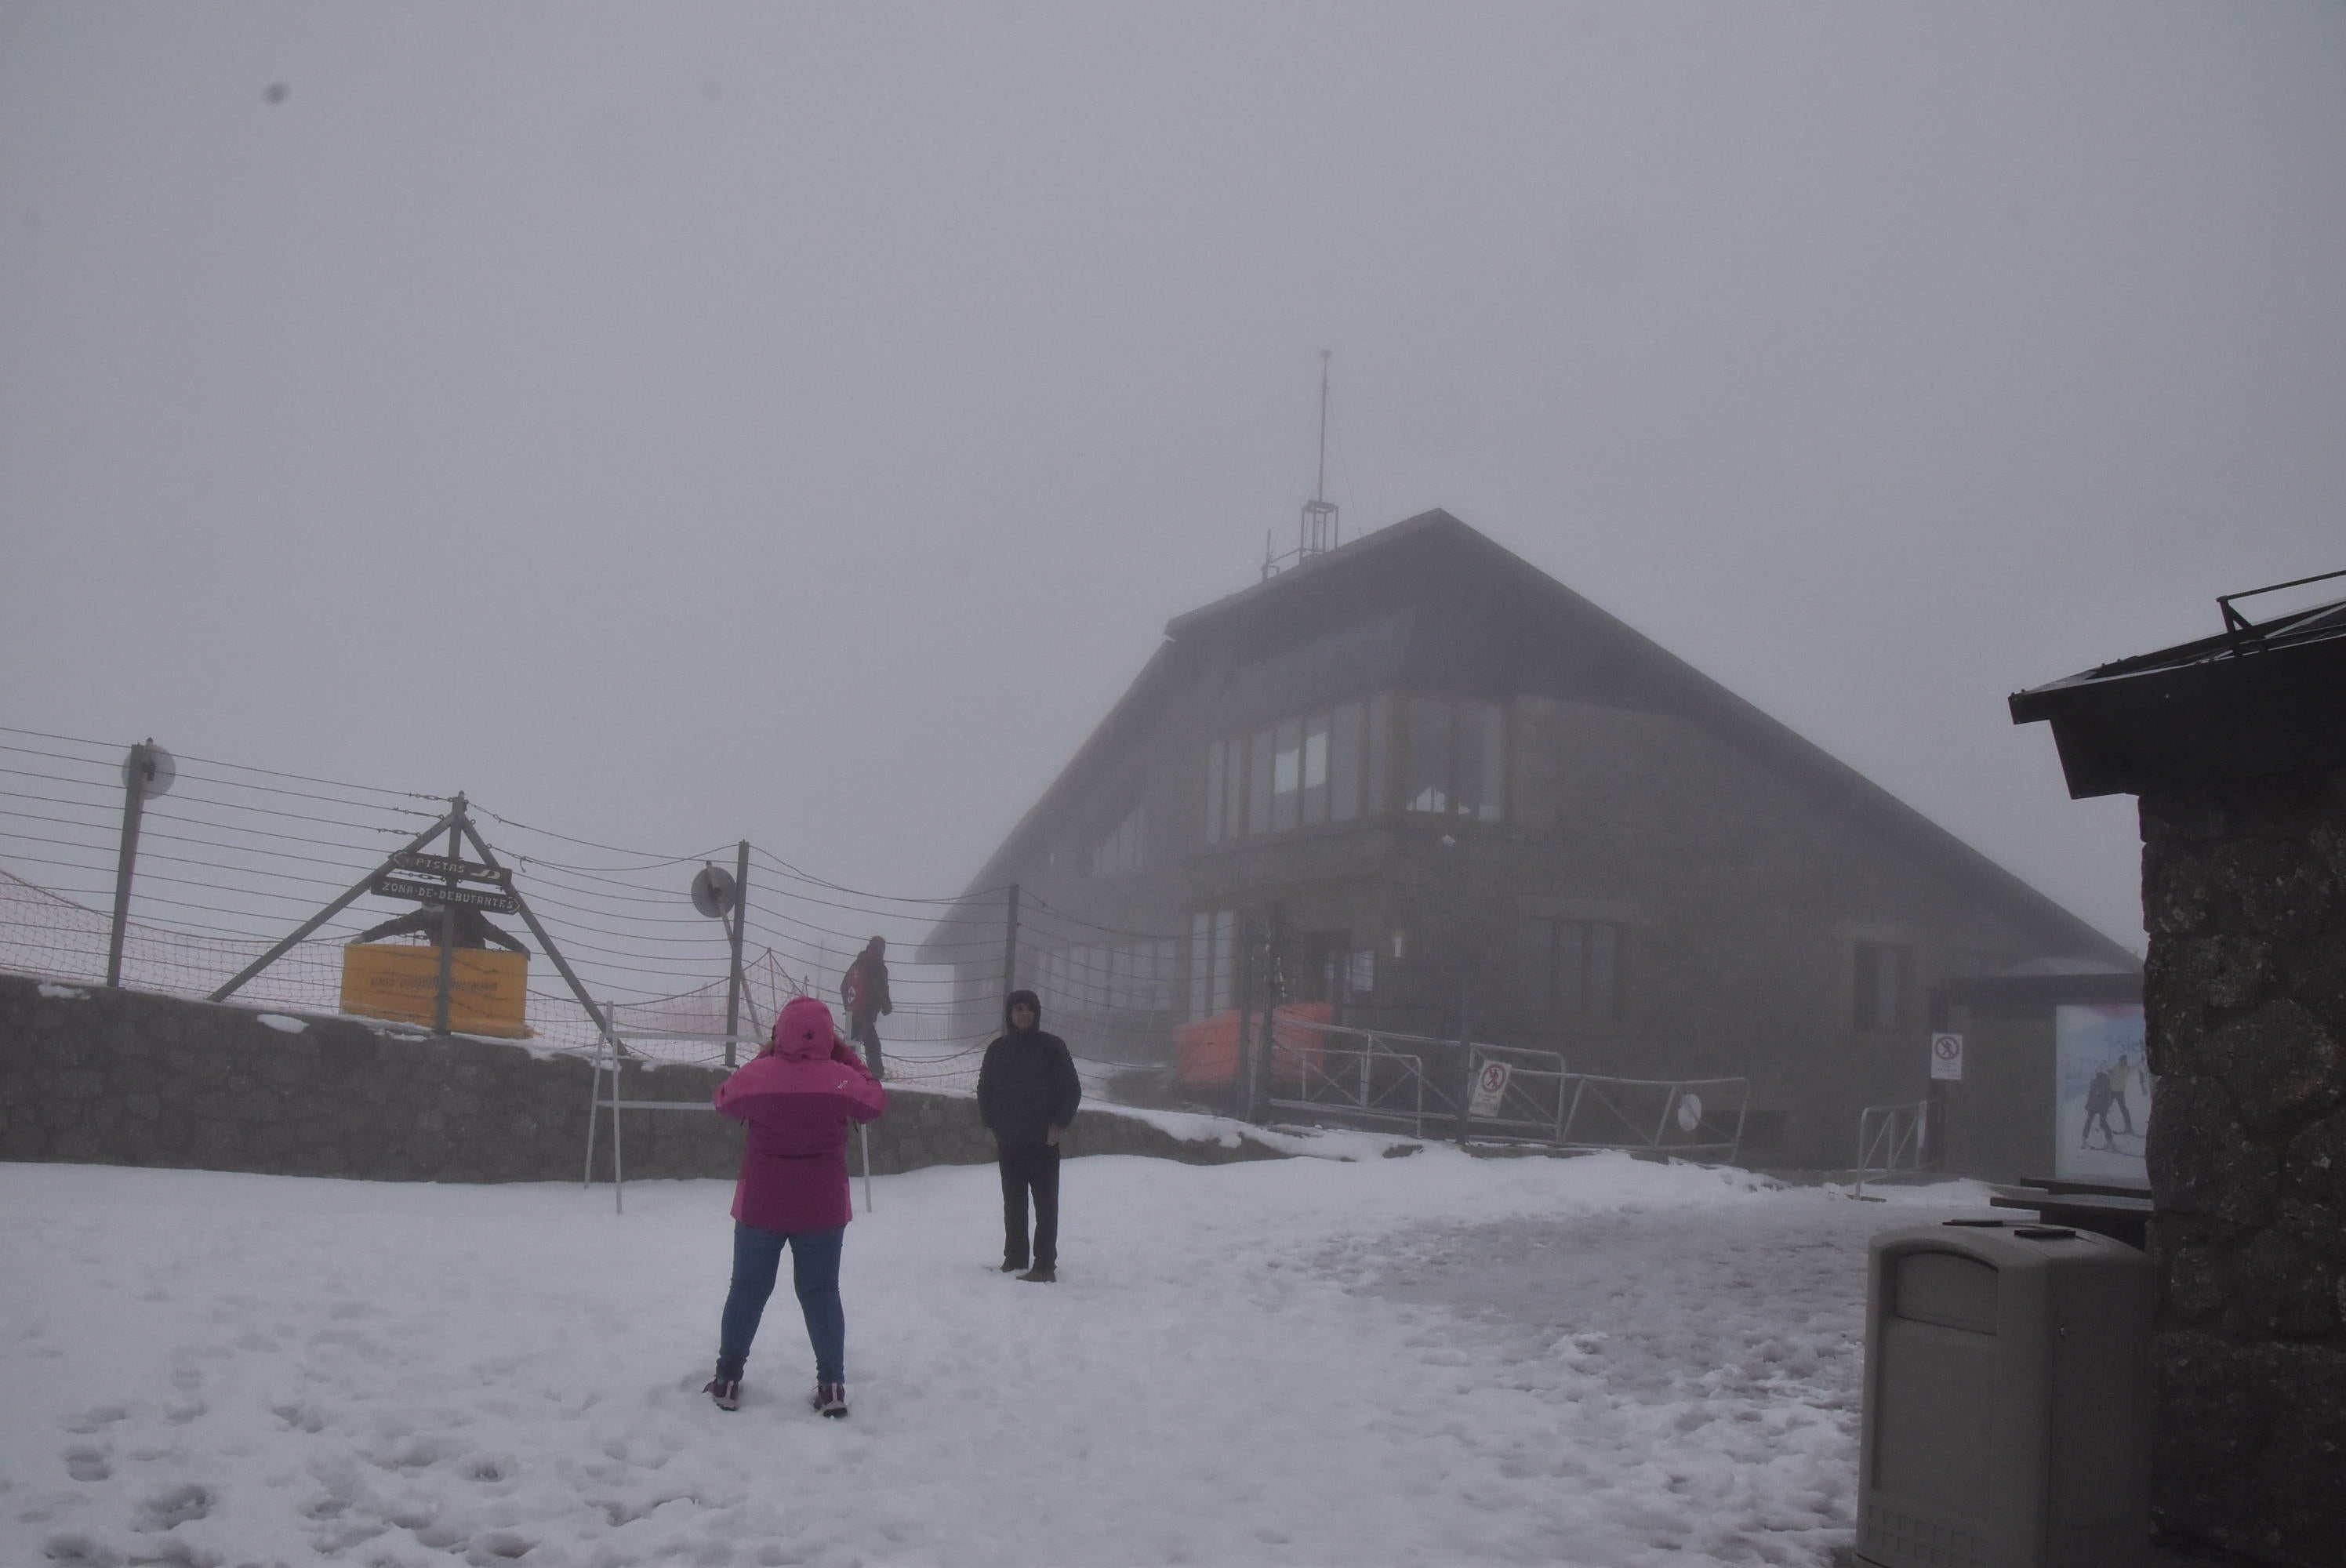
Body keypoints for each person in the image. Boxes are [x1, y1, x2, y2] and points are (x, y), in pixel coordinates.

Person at [703, 995, 886, 1417]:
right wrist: (846, 1059)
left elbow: (724, 1100)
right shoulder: (840, 1079)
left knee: (747, 1291)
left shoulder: (759, 1075)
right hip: (821, 1207)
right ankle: (832, 1386)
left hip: (761, 1203)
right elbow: (875, 1101)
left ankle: (727, 1377)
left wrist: (767, 1056)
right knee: (822, 1293)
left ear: (779, 1032)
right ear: (828, 1036)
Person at [976, 988, 1081, 1283]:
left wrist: (1058, 1124)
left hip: (1043, 1141)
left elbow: (1071, 1089)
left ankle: (1045, 1264)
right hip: (1009, 1139)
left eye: (1029, 1009)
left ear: (1036, 1014)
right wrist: (991, 1123)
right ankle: (1015, 1258)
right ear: (1010, 1014)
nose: (1024, 1014)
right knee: (1014, 1202)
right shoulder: (998, 1049)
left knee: (1045, 1204)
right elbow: (985, 1088)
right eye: (1018, 1009)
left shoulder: (1052, 1047)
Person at [841, 936, 892, 1080]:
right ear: (881, 949)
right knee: (873, 1047)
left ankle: (843, 1078)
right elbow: (882, 990)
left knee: (850, 1047)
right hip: (866, 1015)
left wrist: (849, 1006)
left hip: (851, 1014)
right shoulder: (878, 966)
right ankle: (875, 1080)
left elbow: (843, 986)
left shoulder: (857, 963)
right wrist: (886, 1006)